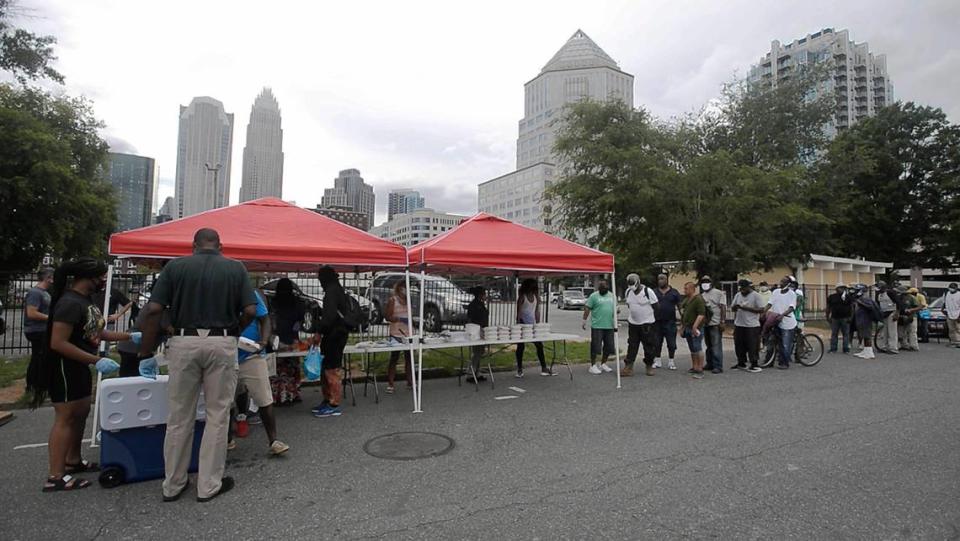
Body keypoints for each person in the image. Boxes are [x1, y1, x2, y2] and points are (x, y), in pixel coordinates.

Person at [137, 228, 258, 503]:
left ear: (193, 246)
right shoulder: (235, 268)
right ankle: (208, 484)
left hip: (183, 340)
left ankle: (173, 483)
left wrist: (147, 349)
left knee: (179, 415)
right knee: (217, 415)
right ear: (220, 245)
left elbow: (154, 309)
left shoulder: (176, 267)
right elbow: (250, 310)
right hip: (221, 341)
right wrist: (234, 331)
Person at [28, 258, 134, 492]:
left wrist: (129, 337)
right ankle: (56, 475)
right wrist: (96, 360)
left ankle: (73, 461)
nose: (103, 281)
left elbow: (97, 331)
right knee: (66, 417)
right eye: (101, 277)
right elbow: (58, 342)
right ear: (88, 278)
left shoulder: (85, 301)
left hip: (80, 366)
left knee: (81, 412)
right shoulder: (68, 303)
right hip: (65, 367)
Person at [234, 289, 289, 456]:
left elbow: (264, 319)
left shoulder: (249, 292)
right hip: (225, 355)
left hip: (252, 354)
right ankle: (228, 438)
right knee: (227, 401)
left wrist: (264, 341)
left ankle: (274, 440)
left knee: (264, 398)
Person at [311, 266, 350, 419]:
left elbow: (329, 317)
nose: (319, 281)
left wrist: (319, 331)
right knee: (328, 368)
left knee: (331, 370)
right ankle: (328, 400)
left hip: (334, 335)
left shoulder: (331, 292)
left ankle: (333, 404)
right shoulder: (338, 290)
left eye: (320, 278)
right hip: (339, 334)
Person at [269, 278, 306, 404]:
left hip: (277, 338)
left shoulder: (273, 302)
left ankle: (278, 395)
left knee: (278, 369)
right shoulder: (297, 302)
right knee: (292, 368)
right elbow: (301, 319)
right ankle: (293, 394)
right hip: (293, 338)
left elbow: (270, 319)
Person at [23, 267, 54, 395]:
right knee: (38, 357)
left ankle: (40, 384)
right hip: (36, 330)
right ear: (48, 278)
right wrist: (51, 318)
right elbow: (31, 313)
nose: (54, 281)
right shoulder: (35, 293)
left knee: (42, 356)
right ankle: (34, 385)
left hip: (43, 330)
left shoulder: (45, 292)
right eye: (53, 277)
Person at [515, 278, 553, 378]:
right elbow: (518, 313)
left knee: (539, 345)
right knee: (521, 347)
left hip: (532, 324)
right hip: (523, 324)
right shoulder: (522, 297)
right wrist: (518, 324)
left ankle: (544, 367)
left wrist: (538, 324)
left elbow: (537, 311)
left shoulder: (536, 297)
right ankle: (519, 369)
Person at [622, 273, 658, 377]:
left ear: (638, 282)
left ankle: (649, 365)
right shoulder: (628, 292)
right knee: (632, 345)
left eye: (633, 284)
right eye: (629, 284)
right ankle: (628, 367)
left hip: (647, 324)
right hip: (633, 324)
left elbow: (657, 307)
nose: (631, 286)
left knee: (649, 347)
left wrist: (649, 319)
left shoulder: (648, 292)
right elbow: (629, 305)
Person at [730, 279, 765, 373]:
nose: (742, 290)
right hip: (739, 324)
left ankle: (754, 364)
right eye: (741, 288)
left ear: (748, 287)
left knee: (752, 345)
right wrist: (735, 307)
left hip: (752, 325)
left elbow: (761, 309)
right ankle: (741, 362)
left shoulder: (756, 296)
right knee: (739, 344)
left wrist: (745, 308)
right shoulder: (738, 295)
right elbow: (732, 308)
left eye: (744, 288)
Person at [583, 280, 616, 375]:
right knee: (595, 346)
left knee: (609, 346)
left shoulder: (612, 296)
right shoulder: (594, 296)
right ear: (598, 288)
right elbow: (587, 308)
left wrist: (616, 318)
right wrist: (584, 320)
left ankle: (603, 363)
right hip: (597, 325)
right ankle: (593, 365)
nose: (602, 289)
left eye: (604, 288)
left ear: (607, 288)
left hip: (609, 325)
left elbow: (615, 308)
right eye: (601, 288)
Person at [385, 280, 413, 392]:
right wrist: (398, 319)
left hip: (408, 333)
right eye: (406, 287)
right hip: (396, 333)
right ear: (400, 288)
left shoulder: (408, 300)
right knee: (394, 358)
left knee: (409, 359)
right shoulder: (393, 300)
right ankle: (391, 384)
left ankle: (410, 381)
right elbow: (387, 316)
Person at [765, 276, 798, 369]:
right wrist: (763, 312)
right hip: (775, 320)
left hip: (787, 322)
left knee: (785, 344)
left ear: (788, 284)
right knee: (771, 341)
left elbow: (791, 307)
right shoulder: (775, 292)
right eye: (781, 281)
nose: (781, 283)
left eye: (784, 281)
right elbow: (770, 303)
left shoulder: (792, 294)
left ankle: (784, 363)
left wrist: (782, 315)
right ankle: (769, 361)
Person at [652, 274, 682, 370]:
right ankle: (657, 360)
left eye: (662, 279)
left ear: (667, 280)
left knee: (671, 343)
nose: (660, 281)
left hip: (670, 321)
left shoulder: (674, 292)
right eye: (659, 279)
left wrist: (683, 319)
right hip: (657, 321)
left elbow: (680, 306)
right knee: (657, 342)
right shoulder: (654, 292)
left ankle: (671, 361)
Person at [699, 275, 727, 374]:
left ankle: (718, 366)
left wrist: (722, 321)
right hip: (706, 323)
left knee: (716, 345)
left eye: (707, 281)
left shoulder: (718, 293)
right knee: (708, 345)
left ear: (711, 282)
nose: (704, 283)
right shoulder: (702, 295)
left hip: (716, 323)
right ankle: (710, 363)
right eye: (703, 281)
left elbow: (723, 307)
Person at [679, 282, 707, 379]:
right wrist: (682, 327)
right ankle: (695, 366)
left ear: (692, 289)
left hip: (696, 327)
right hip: (687, 326)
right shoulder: (686, 300)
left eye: (686, 288)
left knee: (697, 347)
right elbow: (683, 314)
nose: (684, 290)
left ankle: (700, 369)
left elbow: (701, 314)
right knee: (692, 348)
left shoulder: (698, 299)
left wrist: (695, 326)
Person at [851, 284, 881, 359]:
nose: (855, 292)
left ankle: (869, 353)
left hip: (865, 320)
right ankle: (866, 350)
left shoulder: (865, 298)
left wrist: (860, 303)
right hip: (861, 319)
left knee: (867, 336)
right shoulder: (861, 298)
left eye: (856, 290)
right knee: (864, 335)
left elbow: (870, 307)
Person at [466, 286, 489, 381]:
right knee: (476, 353)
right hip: (475, 331)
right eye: (484, 294)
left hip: (483, 330)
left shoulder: (481, 304)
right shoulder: (473, 305)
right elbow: (470, 319)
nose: (486, 296)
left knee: (480, 352)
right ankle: (471, 373)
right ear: (480, 295)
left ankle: (477, 371)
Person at [826, 284, 853, 354]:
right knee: (834, 334)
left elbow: (851, 307)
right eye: (841, 288)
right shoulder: (832, 297)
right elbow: (828, 307)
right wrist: (827, 316)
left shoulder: (848, 297)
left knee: (846, 334)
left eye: (843, 288)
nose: (842, 289)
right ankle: (833, 348)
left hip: (845, 318)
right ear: (837, 289)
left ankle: (846, 349)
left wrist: (851, 317)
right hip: (835, 318)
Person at [874, 281, 900, 354]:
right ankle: (883, 347)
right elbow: (878, 305)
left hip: (892, 312)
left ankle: (893, 348)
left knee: (892, 332)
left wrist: (897, 313)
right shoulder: (879, 294)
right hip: (884, 313)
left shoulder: (890, 293)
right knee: (884, 332)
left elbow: (898, 303)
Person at [898, 286, 922, 352]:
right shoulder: (898, 298)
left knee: (912, 332)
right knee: (902, 332)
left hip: (911, 316)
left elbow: (918, 307)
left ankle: (914, 346)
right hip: (901, 317)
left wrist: (911, 310)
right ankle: (904, 345)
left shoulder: (911, 298)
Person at [945, 283, 960, 348]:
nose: (951, 288)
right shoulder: (947, 293)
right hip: (949, 314)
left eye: (953, 287)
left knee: (958, 329)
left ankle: (958, 342)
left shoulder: (959, 294)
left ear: (956, 288)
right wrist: (943, 309)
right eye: (950, 287)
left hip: (958, 314)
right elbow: (944, 302)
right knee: (951, 329)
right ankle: (953, 342)